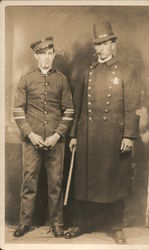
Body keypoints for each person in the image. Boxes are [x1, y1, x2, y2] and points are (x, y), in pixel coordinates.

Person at [64, 21, 140, 244]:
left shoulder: (127, 70)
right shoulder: (88, 71)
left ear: (113, 44)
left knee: (114, 180)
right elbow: (78, 106)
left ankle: (116, 227)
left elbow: (132, 105)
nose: (100, 49)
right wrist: (74, 135)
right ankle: (82, 222)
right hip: (87, 134)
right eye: (97, 44)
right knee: (84, 180)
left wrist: (129, 135)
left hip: (113, 136)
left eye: (105, 43)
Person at [13, 37, 74, 238]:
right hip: (32, 141)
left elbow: (69, 111)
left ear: (54, 55)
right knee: (29, 181)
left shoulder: (62, 80)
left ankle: (57, 223)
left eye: (50, 53)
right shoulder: (26, 79)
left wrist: (57, 136)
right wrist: (31, 134)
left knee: (55, 182)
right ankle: (24, 223)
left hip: (56, 142)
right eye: (42, 53)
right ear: (35, 55)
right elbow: (18, 110)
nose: (46, 58)